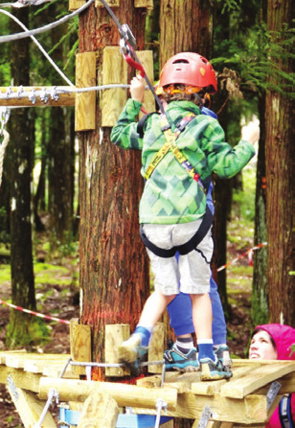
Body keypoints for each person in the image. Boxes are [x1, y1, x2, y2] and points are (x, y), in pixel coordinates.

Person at [111, 52, 259, 380]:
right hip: (191, 219)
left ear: (164, 90)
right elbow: (226, 166)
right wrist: (248, 144)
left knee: (165, 288)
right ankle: (210, 356)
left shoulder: (151, 124)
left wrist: (134, 102)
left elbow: (119, 135)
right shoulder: (206, 123)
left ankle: (141, 337)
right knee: (199, 289)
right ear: (204, 93)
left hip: (152, 224)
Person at [249, 324, 295, 427]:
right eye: (252, 342)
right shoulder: (244, 386)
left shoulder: (292, 396)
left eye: (263, 341)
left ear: (282, 348)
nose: (253, 346)